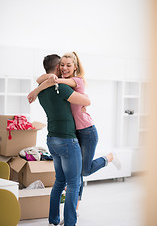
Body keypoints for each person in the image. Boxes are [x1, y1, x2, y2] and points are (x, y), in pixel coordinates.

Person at [28, 52, 122, 214]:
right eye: (62, 65)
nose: (64, 68)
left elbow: (85, 99)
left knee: (83, 171)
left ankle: (109, 157)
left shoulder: (76, 81)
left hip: (87, 131)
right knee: (76, 174)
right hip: (73, 132)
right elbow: (41, 80)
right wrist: (37, 90)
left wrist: (48, 82)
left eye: (68, 65)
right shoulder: (62, 84)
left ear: (75, 67)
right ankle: (75, 210)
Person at [28, 54, 91, 226]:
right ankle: (70, 223)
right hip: (67, 140)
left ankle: (53, 219)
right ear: (57, 68)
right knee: (73, 183)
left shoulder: (41, 91)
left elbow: (40, 81)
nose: (64, 69)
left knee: (59, 182)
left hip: (52, 140)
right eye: (62, 66)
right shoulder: (60, 88)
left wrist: (37, 88)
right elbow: (86, 100)